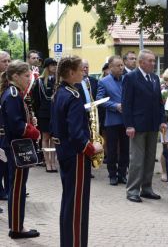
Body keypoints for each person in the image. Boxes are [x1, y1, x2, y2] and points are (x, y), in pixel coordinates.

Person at [51, 55, 103, 247]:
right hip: (77, 156)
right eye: (81, 69)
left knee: (69, 201)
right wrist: (92, 148)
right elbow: (76, 133)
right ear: (71, 72)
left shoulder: (60, 91)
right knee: (77, 205)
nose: (84, 72)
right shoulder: (73, 95)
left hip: (65, 153)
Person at [0, 60, 41, 239]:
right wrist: (34, 132)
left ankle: (18, 225)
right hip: (16, 147)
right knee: (17, 189)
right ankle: (16, 228)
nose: (29, 78)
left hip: (16, 146)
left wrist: (30, 121)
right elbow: (16, 125)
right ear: (15, 76)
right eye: (26, 76)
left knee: (18, 187)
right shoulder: (13, 94)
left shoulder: (15, 93)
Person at [122, 49, 167, 203]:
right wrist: (129, 125)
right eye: (151, 61)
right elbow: (126, 104)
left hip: (153, 125)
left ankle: (146, 188)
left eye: (154, 61)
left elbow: (159, 103)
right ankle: (133, 190)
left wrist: (162, 120)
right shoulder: (130, 77)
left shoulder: (154, 78)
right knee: (137, 159)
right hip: (137, 126)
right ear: (141, 62)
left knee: (149, 159)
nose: (153, 64)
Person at [96, 56, 129, 186]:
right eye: (118, 66)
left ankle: (122, 174)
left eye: (122, 65)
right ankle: (112, 175)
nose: (121, 68)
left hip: (126, 120)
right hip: (112, 121)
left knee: (125, 149)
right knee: (112, 149)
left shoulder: (127, 79)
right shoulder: (103, 82)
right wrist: (115, 106)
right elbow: (100, 100)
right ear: (110, 68)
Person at [32, 58, 58, 172]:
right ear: (47, 67)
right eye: (52, 65)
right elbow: (36, 100)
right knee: (45, 137)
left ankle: (53, 162)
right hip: (44, 113)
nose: (55, 67)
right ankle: (47, 162)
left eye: (55, 65)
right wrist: (38, 113)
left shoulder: (57, 81)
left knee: (53, 138)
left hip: (55, 112)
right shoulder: (40, 81)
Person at [0, 51, 11, 203]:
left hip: (6, 125)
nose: (7, 64)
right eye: (4, 61)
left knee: (7, 160)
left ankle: (9, 188)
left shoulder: (9, 80)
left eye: (9, 61)